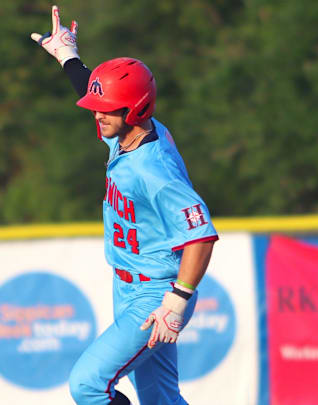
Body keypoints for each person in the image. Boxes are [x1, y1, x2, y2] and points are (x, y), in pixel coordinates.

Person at [31, 6, 218, 405]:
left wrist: (178, 299)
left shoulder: (154, 169)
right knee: (161, 400)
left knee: (87, 385)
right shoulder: (129, 135)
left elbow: (201, 235)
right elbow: (92, 93)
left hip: (155, 297)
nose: (97, 114)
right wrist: (68, 57)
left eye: (108, 108)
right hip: (132, 285)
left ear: (134, 109)